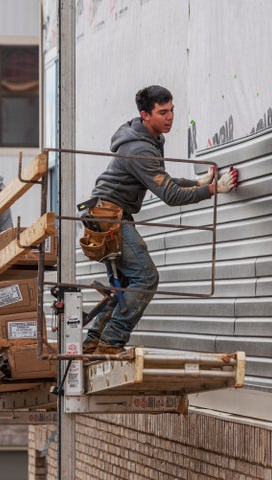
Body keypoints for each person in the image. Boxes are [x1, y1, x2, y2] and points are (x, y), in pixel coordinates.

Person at [82, 85, 239, 354]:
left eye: (172, 111)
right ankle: (111, 343)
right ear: (145, 115)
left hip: (108, 213)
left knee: (125, 284)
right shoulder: (140, 149)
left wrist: (197, 182)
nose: (170, 118)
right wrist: (214, 189)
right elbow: (171, 195)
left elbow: (162, 181)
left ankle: (93, 342)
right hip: (109, 216)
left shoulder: (150, 139)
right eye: (162, 112)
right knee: (146, 278)